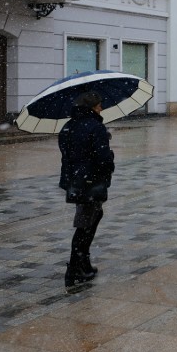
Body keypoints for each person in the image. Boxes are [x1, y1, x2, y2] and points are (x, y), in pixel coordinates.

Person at [58, 91, 115, 287]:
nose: (101, 109)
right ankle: (74, 269)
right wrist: (109, 156)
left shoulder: (68, 126)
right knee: (86, 225)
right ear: (91, 108)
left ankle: (83, 264)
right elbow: (103, 159)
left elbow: (67, 154)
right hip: (91, 182)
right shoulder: (95, 127)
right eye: (99, 106)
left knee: (89, 219)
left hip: (75, 181)